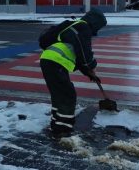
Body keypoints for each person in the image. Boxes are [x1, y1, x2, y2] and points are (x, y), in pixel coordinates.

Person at [40, 8, 107, 138]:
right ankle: (62, 129)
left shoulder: (74, 26)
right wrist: (91, 65)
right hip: (56, 63)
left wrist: (89, 73)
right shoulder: (83, 28)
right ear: (95, 23)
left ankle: (57, 123)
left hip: (48, 60)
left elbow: (78, 54)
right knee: (68, 95)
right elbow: (83, 51)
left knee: (59, 94)